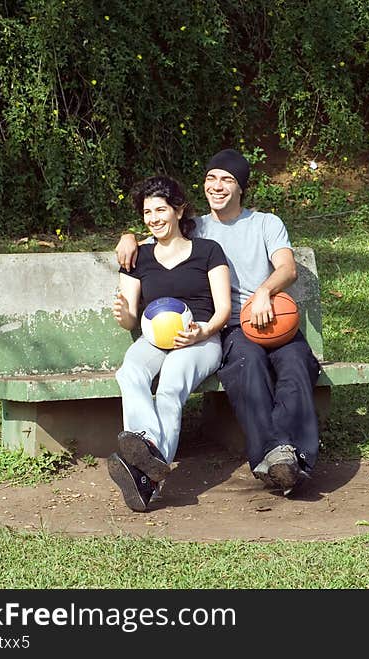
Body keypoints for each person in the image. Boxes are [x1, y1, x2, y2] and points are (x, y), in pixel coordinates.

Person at [116, 149, 321, 497]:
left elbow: (287, 267)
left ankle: (293, 456)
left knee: (297, 365)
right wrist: (127, 236)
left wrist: (264, 292)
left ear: (241, 187)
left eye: (227, 179)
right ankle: (269, 455)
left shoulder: (265, 223)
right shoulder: (197, 227)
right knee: (248, 365)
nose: (217, 186)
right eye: (211, 178)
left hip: (271, 314)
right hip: (234, 327)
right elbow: (159, 233)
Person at [108, 175, 231, 512]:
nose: (154, 218)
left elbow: (223, 310)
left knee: (171, 384)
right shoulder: (137, 258)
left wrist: (202, 332)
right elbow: (132, 318)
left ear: (179, 210)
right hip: (153, 340)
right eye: (147, 212)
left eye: (161, 209)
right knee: (130, 371)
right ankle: (147, 446)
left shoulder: (208, 251)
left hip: (199, 339)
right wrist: (123, 316)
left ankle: (145, 473)